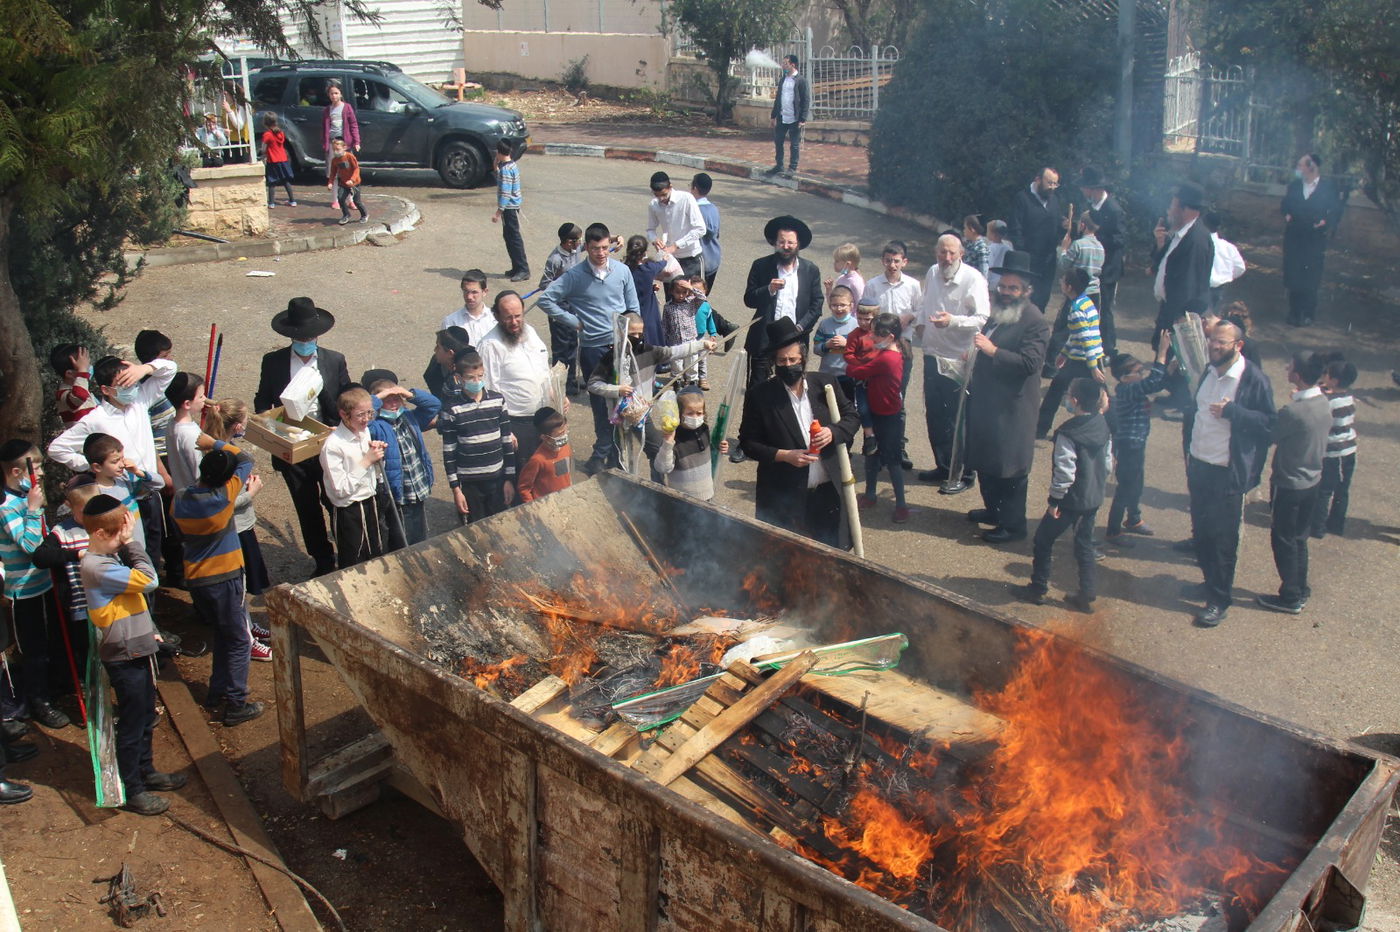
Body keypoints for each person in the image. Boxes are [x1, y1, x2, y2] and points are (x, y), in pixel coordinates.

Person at [80, 494, 188, 814]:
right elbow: (148, 580)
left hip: (136, 648)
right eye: (119, 533)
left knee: (144, 717)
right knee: (131, 723)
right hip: (124, 656)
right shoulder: (97, 566)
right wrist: (131, 546)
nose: (124, 538)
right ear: (101, 534)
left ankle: (146, 770)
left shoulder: (108, 560)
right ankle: (133, 788)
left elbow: (130, 602)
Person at [49, 351, 178, 574]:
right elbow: (56, 449)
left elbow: (170, 369)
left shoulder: (140, 401)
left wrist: (144, 369)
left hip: (150, 492)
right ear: (106, 390)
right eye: (124, 385)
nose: (131, 388)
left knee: (153, 554)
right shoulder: (95, 420)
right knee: (131, 556)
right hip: (122, 501)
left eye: (132, 382)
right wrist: (92, 465)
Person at [1183, 320, 1276, 628]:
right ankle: (1210, 582)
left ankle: (1219, 600)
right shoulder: (1208, 373)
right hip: (1200, 465)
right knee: (1202, 532)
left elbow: (1269, 425)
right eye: (1212, 341)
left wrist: (1234, 412)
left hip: (1227, 473)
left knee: (1223, 540)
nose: (1214, 346)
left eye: (1221, 343)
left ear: (1238, 346)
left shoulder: (1253, 380)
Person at [172, 438, 270, 718]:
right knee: (240, 640)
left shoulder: (180, 498)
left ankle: (217, 693)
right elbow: (246, 457)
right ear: (226, 480)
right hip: (225, 578)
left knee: (223, 634)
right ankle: (237, 703)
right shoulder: (222, 499)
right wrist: (214, 442)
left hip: (196, 576)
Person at [739, 319, 859, 545]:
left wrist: (833, 432)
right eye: (782, 361)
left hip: (827, 494)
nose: (788, 365)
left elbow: (852, 417)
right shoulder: (761, 395)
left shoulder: (825, 384)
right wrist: (784, 455)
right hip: (784, 496)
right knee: (787, 558)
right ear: (774, 362)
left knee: (830, 554)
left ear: (803, 359)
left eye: (793, 359)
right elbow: (748, 442)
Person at [254, 297, 351, 576]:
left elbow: (344, 401)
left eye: (310, 337)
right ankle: (322, 559)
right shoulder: (273, 362)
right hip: (292, 443)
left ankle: (345, 550)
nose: (305, 342)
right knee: (306, 506)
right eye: (300, 338)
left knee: (335, 499)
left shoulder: (334, 361)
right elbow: (263, 400)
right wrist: (267, 425)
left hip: (327, 440)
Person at [537, 222, 641, 475]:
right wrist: (574, 322)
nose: (601, 253)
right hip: (593, 349)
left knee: (624, 402)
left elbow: (633, 307)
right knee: (600, 404)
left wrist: (631, 335)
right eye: (595, 249)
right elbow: (545, 299)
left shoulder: (622, 271)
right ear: (587, 248)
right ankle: (601, 453)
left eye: (605, 247)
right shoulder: (575, 275)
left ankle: (616, 454)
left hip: (620, 347)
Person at [965, 251, 1051, 544]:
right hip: (989, 403)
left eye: (1013, 288)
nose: (1005, 292)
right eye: (1003, 286)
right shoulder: (998, 311)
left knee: (1009, 469)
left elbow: (1030, 363)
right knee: (987, 462)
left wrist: (992, 351)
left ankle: (1013, 526)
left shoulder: (1035, 320)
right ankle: (994, 512)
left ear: (1026, 291)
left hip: (1013, 408)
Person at [1020, 378, 1112, 613]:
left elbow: (1065, 470)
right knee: (1084, 544)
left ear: (1075, 401)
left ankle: (1038, 588)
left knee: (1043, 540)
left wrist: (1055, 500)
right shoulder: (1102, 425)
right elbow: (1109, 463)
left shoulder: (1068, 433)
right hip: (1092, 498)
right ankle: (1087, 593)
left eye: (1069, 395)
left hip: (1070, 500)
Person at [586, 313, 714, 475]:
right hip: (617, 417)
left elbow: (675, 351)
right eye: (632, 334)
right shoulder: (611, 357)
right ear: (621, 333)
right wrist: (617, 390)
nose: (637, 337)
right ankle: (614, 483)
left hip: (641, 415)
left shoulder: (650, 351)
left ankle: (657, 487)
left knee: (656, 451)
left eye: (640, 333)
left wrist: (702, 344)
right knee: (619, 454)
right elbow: (593, 384)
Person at [0, 442, 69, 729]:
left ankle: (54, 687)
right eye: (36, 466)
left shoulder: (27, 497)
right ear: (17, 472)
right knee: (34, 649)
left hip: (44, 585)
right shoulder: (7, 506)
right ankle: (39, 702)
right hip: (23, 591)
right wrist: (33, 509)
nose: (40, 471)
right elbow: (31, 546)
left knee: (51, 641)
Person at [1257, 352, 1330, 615]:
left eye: (1291, 366)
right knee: (1299, 538)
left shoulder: (1293, 411)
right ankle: (1300, 587)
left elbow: (1272, 433)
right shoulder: (1323, 402)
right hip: (1312, 481)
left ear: (1297, 376)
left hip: (1289, 484)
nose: (1287, 368)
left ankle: (1290, 595)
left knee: (1283, 539)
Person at [916, 233, 989, 491]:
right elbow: (925, 303)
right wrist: (920, 325)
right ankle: (944, 467)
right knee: (935, 414)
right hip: (933, 353)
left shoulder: (973, 279)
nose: (946, 258)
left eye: (951, 253)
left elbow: (982, 317)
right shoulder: (933, 272)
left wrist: (953, 321)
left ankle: (963, 475)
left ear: (961, 255)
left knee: (957, 419)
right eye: (942, 253)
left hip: (959, 358)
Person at [743, 215, 823, 390]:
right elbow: (749, 299)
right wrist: (769, 289)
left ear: (798, 244)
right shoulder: (760, 265)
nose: (785, 247)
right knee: (757, 389)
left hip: (795, 338)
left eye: (790, 243)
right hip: (765, 338)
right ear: (774, 243)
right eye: (781, 242)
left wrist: (800, 327)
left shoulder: (810, 270)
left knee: (793, 387)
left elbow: (817, 305)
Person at [1103, 338, 1170, 546]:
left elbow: (1158, 380)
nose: (1142, 375)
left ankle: (1133, 518)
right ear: (1124, 378)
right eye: (1138, 372)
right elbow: (1155, 382)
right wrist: (1161, 355)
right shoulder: (1128, 391)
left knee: (1136, 483)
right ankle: (1113, 531)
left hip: (1137, 443)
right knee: (1125, 487)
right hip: (1129, 445)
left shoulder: (1130, 387)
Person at [204, 399, 271, 604]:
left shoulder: (215, 447)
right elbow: (223, 501)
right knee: (238, 583)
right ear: (238, 427)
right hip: (236, 528)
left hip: (237, 526)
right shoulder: (226, 458)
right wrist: (251, 492)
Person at [364, 370, 441, 546]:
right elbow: (363, 418)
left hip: (418, 485)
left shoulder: (410, 417)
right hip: (398, 491)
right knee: (401, 536)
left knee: (419, 533)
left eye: (396, 399)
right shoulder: (376, 426)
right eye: (387, 400)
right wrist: (378, 396)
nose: (393, 404)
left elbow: (434, 405)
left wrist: (409, 394)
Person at [479, 290, 555, 466]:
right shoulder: (490, 346)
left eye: (518, 316)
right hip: (516, 424)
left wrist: (555, 392)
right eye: (508, 317)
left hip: (543, 418)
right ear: (496, 316)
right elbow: (488, 392)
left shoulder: (531, 332)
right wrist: (504, 430)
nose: (514, 322)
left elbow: (543, 369)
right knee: (523, 479)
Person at [440, 350, 515, 523]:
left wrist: (509, 479)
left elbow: (506, 441)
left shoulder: (497, 400)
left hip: (497, 478)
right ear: (459, 378)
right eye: (471, 378)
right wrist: (456, 490)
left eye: (480, 376)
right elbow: (449, 452)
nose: (477, 382)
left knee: (500, 525)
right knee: (475, 529)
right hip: (470, 482)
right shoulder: (451, 409)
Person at [321, 388, 394, 565]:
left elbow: (374, 473)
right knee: (354, 558)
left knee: (376, 552)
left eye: (370, 412)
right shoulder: (333, 446)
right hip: (350, 510)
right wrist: (366, 461)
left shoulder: (363, 431)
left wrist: (377, 456)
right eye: (360, 414)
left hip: (370, 501)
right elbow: (340, 489)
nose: (367, 419)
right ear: (343, 414)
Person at [849, 313, 910, 522]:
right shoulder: (891, 353)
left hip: (887, 416)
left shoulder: (887, 358)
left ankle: (900, 504)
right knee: (872, 455)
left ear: (890, 336)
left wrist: (852, 362)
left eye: (877, 333)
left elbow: (855, 372)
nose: (873, 336)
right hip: (882, 412)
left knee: (889, 460)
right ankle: (871, 494)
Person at [1036, 268, 1105, 439]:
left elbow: (1085, 338)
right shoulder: (1086, 302)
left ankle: (1040, 429)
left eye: (1063, 280)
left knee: (1059, 392)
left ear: (1069, 287)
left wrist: (1092, 367)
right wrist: (1064, 354)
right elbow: (1076, 335)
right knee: (1096, 394)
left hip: (1083, 360)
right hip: (1087, 357)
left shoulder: (1076, 309)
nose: (1060, 282)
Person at [1281, 153, 1345, 326]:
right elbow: (1285, 204)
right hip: (1295, 237)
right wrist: (1287, 215)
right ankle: (1294, 312)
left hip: (1315, 239)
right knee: (1294, 275)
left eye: (1301, 165)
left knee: (1310, 277)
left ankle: (1308, 313)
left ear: (1311, 167)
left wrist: (1325, 222)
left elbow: (1336, 210)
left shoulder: (1328, 187)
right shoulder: (1294, 186)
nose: (1298, 168)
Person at [1076, 167, 1126, 355]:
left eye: (1085, 188)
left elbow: (1120, 239)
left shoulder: (1113, 209)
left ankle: (1108, 347)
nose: (1083, 191)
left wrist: (1096, 235)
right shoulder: (1092, 207)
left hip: (1108, 268)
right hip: (1093, 265)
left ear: (1094, 188)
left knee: (1104, 308)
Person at [1047, 208, 1104, 368]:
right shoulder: (1100, 246)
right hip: (1094, 294)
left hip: (1077, 292)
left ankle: (1052, 365)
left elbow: (1064, 265)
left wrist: (1063, 249)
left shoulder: (1078, 245)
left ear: (1084, 225)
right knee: (1088, 328)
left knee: (1063, 329)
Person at [1310, 357, 1357, 538]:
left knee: (1325, 490)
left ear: (1334, 380)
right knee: (1343, 489)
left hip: (1334, 452)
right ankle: (1337, 524)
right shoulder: (1349, 398)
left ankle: (1318, 527)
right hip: (1349, 449)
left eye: (1327, 375)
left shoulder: (1329, 402)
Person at [655, 387, 728, 501]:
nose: (695, 417)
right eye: (690, 413)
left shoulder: (704, 429)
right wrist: (668, 442)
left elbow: (707, 454)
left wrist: (719, 448)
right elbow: (662, 467)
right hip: (682, 499)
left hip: (707, 494)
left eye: (699, 413)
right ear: (679, 414)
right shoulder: (674, 439)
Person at [539, 223, 585, 395]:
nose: (580, 243)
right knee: (561, 347)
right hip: (559, 307)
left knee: (573, 343)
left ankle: (571, 380)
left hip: (573, 304)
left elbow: (588, 245)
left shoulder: (576, 250)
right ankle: (559, 384)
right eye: (577, 240)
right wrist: (564, 285)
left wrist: (613, 239)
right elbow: (544, 283)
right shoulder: (555, 259)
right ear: (568, 241)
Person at [1008, 167, 1063, 311]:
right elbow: (1015, 228)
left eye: (1055, 184)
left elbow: (1057, 226)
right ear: (1038, 180)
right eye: (1049, 183)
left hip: (1048, 260)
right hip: (1029, 260)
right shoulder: (1022, 198)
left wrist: (1064, 227)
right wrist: (1022, 252)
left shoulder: (1054, 200)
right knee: (1026, 298)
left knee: (1043, 298)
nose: (1052, 187)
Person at [84, 433, 151, 551]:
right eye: (115, 462)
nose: (122, 465)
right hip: (118, 554)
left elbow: (159, 484)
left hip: (139, 546)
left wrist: (138, 472)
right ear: (97, 467)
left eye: (122, 458)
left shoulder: (125, 480)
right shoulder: (95, 494)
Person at [646, 171, 706, 278]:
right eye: (657, 195)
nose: (661, 199)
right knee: (671, 294)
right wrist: (655, 240)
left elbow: (700, 229)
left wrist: (676, 246)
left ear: (670, 187)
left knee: (694, 293)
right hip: (670, 259)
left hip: (691, 257)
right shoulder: (654, 205)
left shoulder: (686, 199)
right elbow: (650, 230)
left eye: (664, 194)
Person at [163, 372, 208, 496]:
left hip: (181, 492)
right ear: (187, 404)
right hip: (195, 497)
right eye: (201, 396)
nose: (204, 398)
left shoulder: (171, 423)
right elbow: (199, 472)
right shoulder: (191, 435)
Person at [516, 407, 572, 503]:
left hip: (564, 499)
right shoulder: (538, 460)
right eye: (560, 434)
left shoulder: (566, 447)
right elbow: (524, 487)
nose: (564, 435)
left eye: (565, 431)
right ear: (545, 437)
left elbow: (564, 474)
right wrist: (534, 507)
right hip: (546, 505)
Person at [624, 234, 672, 347]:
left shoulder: (625, 269)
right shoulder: (649, 268)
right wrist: (665, 258)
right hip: (649, 309)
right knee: (652, 335)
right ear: (645, 252)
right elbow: (662, 263)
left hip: (630, 309)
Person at [813, 284, 858, 398]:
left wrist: (847, 345)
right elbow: (816, 349)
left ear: (851, 305)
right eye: (834, 305)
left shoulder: (856, 326)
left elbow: (862, 351)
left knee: (848, 406)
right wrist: (827, 345)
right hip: (827, 375)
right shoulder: (824, 324)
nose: (839, 309)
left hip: (847, 375)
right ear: (829, 305)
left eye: (843, 305)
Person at [492, 140, 529, 282]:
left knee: (514, 239)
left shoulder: (507, 170)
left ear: (499, 152)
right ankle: (516, 267)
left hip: (509, 209)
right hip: (512, 207)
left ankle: (523, 269)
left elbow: (506, 194)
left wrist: (498, 212)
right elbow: (497, 171)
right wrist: (496, 161)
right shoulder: (510, 165)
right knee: (509, 237)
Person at [768, 55, 809, 176]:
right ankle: (779, 166)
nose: (783, 66)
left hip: (794, 118)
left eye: (785, 63)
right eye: (783, 63)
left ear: (793, 65)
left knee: (794, 144)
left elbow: (806, 100)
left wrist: (803, 118)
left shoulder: (801, 80)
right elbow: (778, 99)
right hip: (782, 116)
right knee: (778, 141)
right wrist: (773, 116)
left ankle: (792, 167)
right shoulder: (783, 80)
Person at [662, 278, 705, 386]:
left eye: (684, 292)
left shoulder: (691, 303)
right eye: (678, 292)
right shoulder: (668, 307)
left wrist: (690, 287)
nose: (681, 295)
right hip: (675, 342)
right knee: (676, 366)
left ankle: (692, 384)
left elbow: (702, 297)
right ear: (671, 291)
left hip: (690, 341)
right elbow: (665, 324)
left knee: (692, 365)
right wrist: (665, 341)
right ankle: (677, 385)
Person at [441, 270, 496, 346]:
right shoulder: (451, 321)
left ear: (485, 292)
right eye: (466, 291)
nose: (469, 297)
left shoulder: (495, 320)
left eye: (474, 292)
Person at [1206, 211, 1246, 313]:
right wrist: (1227, 275)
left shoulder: (1197, 244)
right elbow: (1240, 267)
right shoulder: (1228, 247)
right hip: (1220, 288)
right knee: (1214, 319)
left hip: (1200, 288)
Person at [424, 325, 472, 404]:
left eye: (438, 347)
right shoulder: (435, 366)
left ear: (450, 353)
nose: (435, 350)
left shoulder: (473, 369)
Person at [51, 343, 96, 427]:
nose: (89, 368)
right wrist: (82, 372)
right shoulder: (63, 395)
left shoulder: (80, 388)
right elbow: (79, 396)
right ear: (69, 374)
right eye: (85, 367)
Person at [327, 136, 367, 225]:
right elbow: (333, 173)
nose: (335, 152)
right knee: (340, 198)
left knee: (357, 201)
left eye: (337, 149)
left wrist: (352, 180)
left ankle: (364, 215)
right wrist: (330, 183)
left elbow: (356, 169)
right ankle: (346, 215)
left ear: (344, 148)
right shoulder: (334, 160)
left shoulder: (349, 156)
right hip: (343, 183)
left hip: (354, 183)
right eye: (334, 150)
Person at [692, 173, 722, 291]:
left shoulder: (695, 210)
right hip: (714, 258)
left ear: (694, 188)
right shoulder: (713, 208)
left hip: (701, 261)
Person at [260, 114, 297, 208]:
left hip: (273, 160)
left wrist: (262, 154)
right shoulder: (280, 133)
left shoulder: (267, 134)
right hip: (283, 159)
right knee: (286, 180)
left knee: (272, 182)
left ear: (265, 123)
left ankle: (271, 203)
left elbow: (263, 148)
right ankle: (292, 200)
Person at [321, 79, 360, 160]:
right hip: (332, 142)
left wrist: (356, 142)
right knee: (331, 167)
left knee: (345, 167)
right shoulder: (327, 110)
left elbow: (353, 125)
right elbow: (325, 128)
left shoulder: (347, 107)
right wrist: (325, 144)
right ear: (328, 95)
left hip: (344, 143)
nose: (334, 96)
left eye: (336, 93)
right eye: (331, 94)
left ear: (341, 94)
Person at [985, 220, 1013, 290]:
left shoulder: (990, 248)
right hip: (1004, 280)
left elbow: (988, 265)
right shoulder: (1008, 248)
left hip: (992, 282)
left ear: (993, 234)